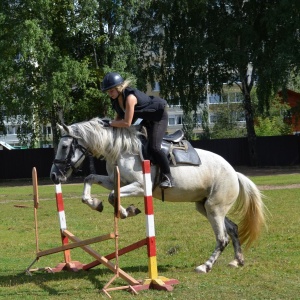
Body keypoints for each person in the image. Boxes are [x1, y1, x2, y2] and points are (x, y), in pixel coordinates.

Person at [101, 72, 174, 188]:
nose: (109, 94)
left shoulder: (130, 98)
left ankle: (168, 177)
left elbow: (126, 122)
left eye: (111, 90)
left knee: (154, 147)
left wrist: (108, 123)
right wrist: (110, 126)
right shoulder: (115, 100)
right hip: (145, 120)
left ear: (119, 87)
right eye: (108, 91)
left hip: (158, 118)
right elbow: (118, 120)